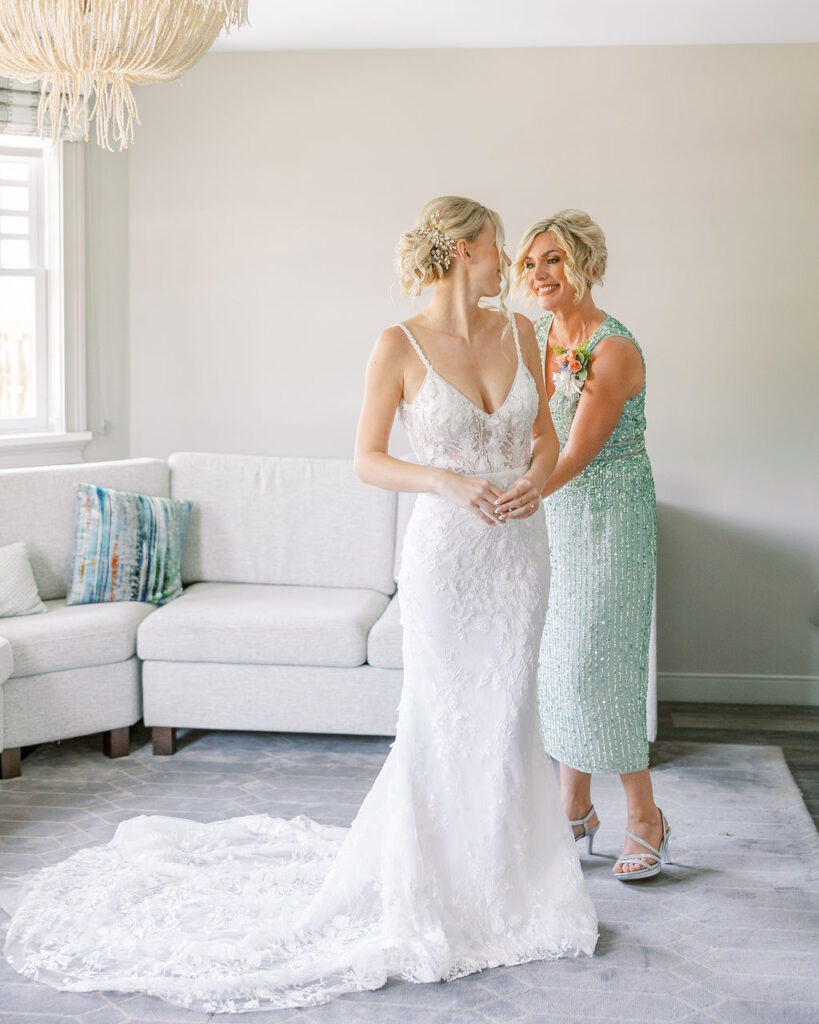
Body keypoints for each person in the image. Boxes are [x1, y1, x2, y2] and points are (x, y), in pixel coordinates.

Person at [0, 197, 597, 1014]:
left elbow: (545, 440)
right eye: (497, 247)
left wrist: (533, 477)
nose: (508, 265)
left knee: (506, 711)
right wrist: (446, 481)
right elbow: (367, 458)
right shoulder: (398, 344)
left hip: (519, 555)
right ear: (463, 250)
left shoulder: (524, 334)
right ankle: (431, 891)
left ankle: (511, 885)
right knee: (441, 714)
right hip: (447, 555)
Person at [512, 209, 668, 881]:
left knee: (601, 664)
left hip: (610, 516)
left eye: (552, 260)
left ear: (585, 267)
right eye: (529, 263)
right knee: (558, 665)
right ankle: (573, 807)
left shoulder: (613, 349)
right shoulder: (536, 334)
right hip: (554, 513)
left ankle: (645, 816)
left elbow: (577, 451)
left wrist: (520, 495)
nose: (539, 274)